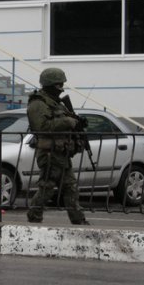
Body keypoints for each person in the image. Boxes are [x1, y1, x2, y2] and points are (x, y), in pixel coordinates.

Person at [26, 67, 89, 225]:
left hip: (61, 153)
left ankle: (78, 219)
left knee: (70, 187)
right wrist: (67, 122)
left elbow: (64, 123)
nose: (61, 89)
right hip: (49, 153)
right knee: (47, 187)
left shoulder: (56, 103)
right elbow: (41, 127)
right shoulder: (38, 104)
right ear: (50, 84)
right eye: (58, 85)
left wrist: (76, 123)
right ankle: (34, 216)